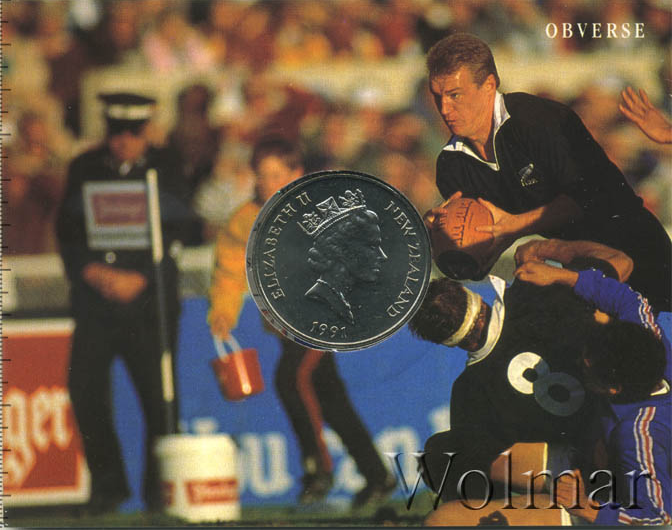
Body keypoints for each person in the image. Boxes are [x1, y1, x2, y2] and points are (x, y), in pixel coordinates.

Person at [207, 135, 395, 508]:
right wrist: (223, 312)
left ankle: (317, 469)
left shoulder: (316, 209)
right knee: (330, 398)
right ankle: (377, 475)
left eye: (276, 175)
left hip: (322, 318)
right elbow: (229, 270)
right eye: (262, 176)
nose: (267, 183)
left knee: (291, 379)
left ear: (296, 174)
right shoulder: (247, 218)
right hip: (288, 325)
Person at [424, 33, 671, 312]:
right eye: (437, 96)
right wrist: (440, 237)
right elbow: (477, 264)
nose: (444, 109)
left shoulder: (540, 120)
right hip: (577, 269)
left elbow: (587, 199)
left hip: (638, 250)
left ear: (489, 85)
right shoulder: (451, 166)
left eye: (455, 95)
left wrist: (516, 225)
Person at [408, 238, 635, 509]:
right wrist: (551, 249)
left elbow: (478, 480)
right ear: (473, 294)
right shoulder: (533, 289)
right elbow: (622, 262)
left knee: (442, 454)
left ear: (446, 342)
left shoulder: (468, 393)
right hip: (637, 432)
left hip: (578, 476)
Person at [55, 92, 194, 513]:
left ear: (147, 132)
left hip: (149, 306)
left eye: (133, 132)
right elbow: (67, 230)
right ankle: (108, 486)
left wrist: (142, 277)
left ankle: (158, 492)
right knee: (85, 390)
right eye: (116, 132)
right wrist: (90, 270)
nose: (124, 141)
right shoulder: (85, 168)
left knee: (159, 398)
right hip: (96, 304)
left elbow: (181, 230)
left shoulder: (166, 168)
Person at [516, 253, 671, 525]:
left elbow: (659, 516)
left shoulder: (638, 434)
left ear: (613, 388)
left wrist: (586, 507)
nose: (579, 364)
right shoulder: (648, 337)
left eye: (586, 369)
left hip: (616, 494)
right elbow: (628, 300)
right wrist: (561, 276)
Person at [301, 190, 388, 325]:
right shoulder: (319, 298)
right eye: (372, 246)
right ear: (342, 250)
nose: (383, 256)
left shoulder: (340, 298)